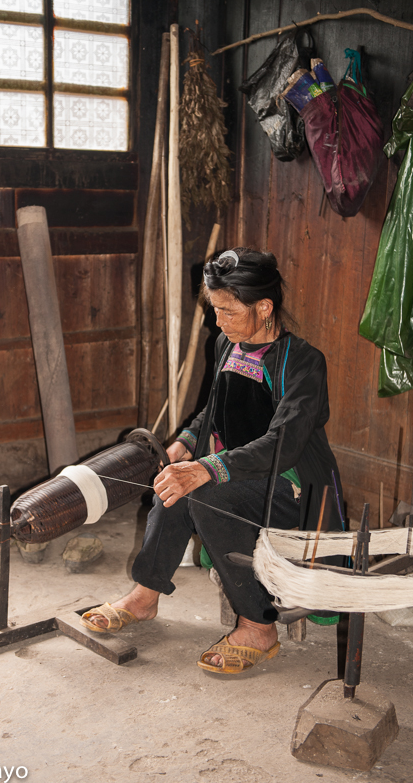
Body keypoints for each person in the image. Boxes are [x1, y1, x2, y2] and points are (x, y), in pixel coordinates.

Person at [81, 247, 344, 674]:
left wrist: (206, 468)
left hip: (292, 485)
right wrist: (184, 446)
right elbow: (212, 409)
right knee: (174, 485)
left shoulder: (304, 363)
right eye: (215, 309)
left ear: (264, 307)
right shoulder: (227, 343)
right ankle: (145, 595)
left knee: (204, 494)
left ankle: (258, 624)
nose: (217, 322)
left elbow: (283, 444)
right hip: (237, 473)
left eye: (227, 311)